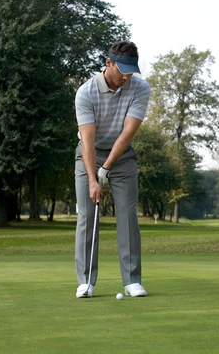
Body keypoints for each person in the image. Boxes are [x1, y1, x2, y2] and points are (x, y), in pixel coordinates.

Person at [74, 41, 151, 298]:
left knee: (128, 215)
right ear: (109, 63)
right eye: (123, 70)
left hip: (122, 156)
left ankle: (132, 281)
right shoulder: (85, 93)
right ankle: (86, 282)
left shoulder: (140, 88)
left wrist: (107, 167)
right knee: (87, 216)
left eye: (131, 71)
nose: (127, 76)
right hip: (90, 153)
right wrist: (94, 179)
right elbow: (87, 142)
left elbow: (128, 133)